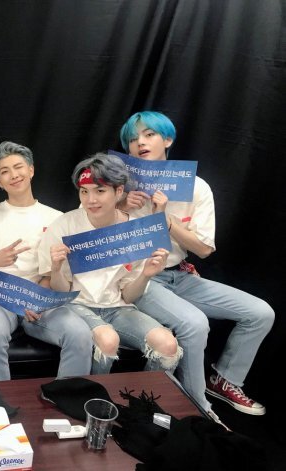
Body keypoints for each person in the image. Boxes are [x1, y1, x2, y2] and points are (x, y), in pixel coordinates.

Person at [118, 111, 274, 415]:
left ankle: (224, 380)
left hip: (180, 275)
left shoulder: (197, 187)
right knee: (194, 323)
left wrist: (166, 220)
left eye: (149, 134)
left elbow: (203, 249)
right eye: (133, 139)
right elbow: (92, 236)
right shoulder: (119, 185)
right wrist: (120, 206)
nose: (140, 142)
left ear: (167, 140)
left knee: (260, 313)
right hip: (139, 278)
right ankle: (198, 408)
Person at [38, 152, 182, 375]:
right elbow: (61, 291)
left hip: (117, 308)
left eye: (100, 191)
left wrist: (146, 274)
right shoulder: (64, 225)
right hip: (75, 304)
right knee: (108, 340)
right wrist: (56, 269)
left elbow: (128, 296)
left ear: (119, 191)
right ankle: (93, 394)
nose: (91, 200)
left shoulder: (135, 231)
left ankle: (146, 394)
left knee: (168, 345)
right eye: (84, 191)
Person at [0, 141, 93, 381]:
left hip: (40, 298)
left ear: (31, 170)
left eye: (18, 167)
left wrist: (36, 297)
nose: (13, 175)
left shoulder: (56, 218)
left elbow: (55, 273)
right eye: (5, 171)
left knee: (80, 334)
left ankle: (67, 396)